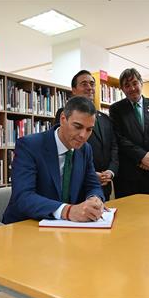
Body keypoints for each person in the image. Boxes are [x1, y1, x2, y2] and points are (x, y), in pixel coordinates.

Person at [3, 96, 105, 223]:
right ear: (63, 119)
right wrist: (67, 211)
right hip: (27, 225)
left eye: (89, 129)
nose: (83, 135)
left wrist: (94, 198)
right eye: (77, 126)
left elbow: (92, 184)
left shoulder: (85, 149)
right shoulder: (30, 146)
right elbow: (23, 197)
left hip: (64, 227)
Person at [55, 70, 118, 200]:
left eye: (92, 84)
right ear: (74, 90)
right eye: (84, 84)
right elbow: (64, 151)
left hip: (103, 186)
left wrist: (110, 172)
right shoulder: (65, 114)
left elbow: (114, 147)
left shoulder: (105, 118)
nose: (89, 88)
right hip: (77, 185)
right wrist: (90, 174)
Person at [109, 68, 149, 198]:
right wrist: (142, 156)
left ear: (141, 83)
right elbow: (118, 138)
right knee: (128, 215)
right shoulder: (116, 109)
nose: (132, 88)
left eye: (135, 83)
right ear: (122, 89)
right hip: (128, 175)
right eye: (127, 85)